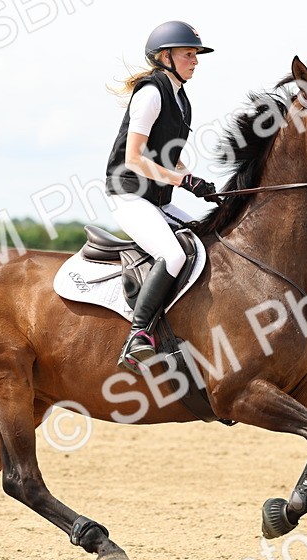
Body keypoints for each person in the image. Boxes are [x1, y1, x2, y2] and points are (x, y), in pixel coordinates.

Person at [105, 20, 218, 374]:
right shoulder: (151, 93)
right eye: (189, 54)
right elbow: (135, 158)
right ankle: (137, 335)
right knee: (171, 254)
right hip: (129, 196)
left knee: (207, 236)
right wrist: (183, 183)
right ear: (165, 56)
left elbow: (167, 153)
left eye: (196, 54)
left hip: (159, 199)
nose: (195, 60)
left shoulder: (180, 98)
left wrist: (194, 179)